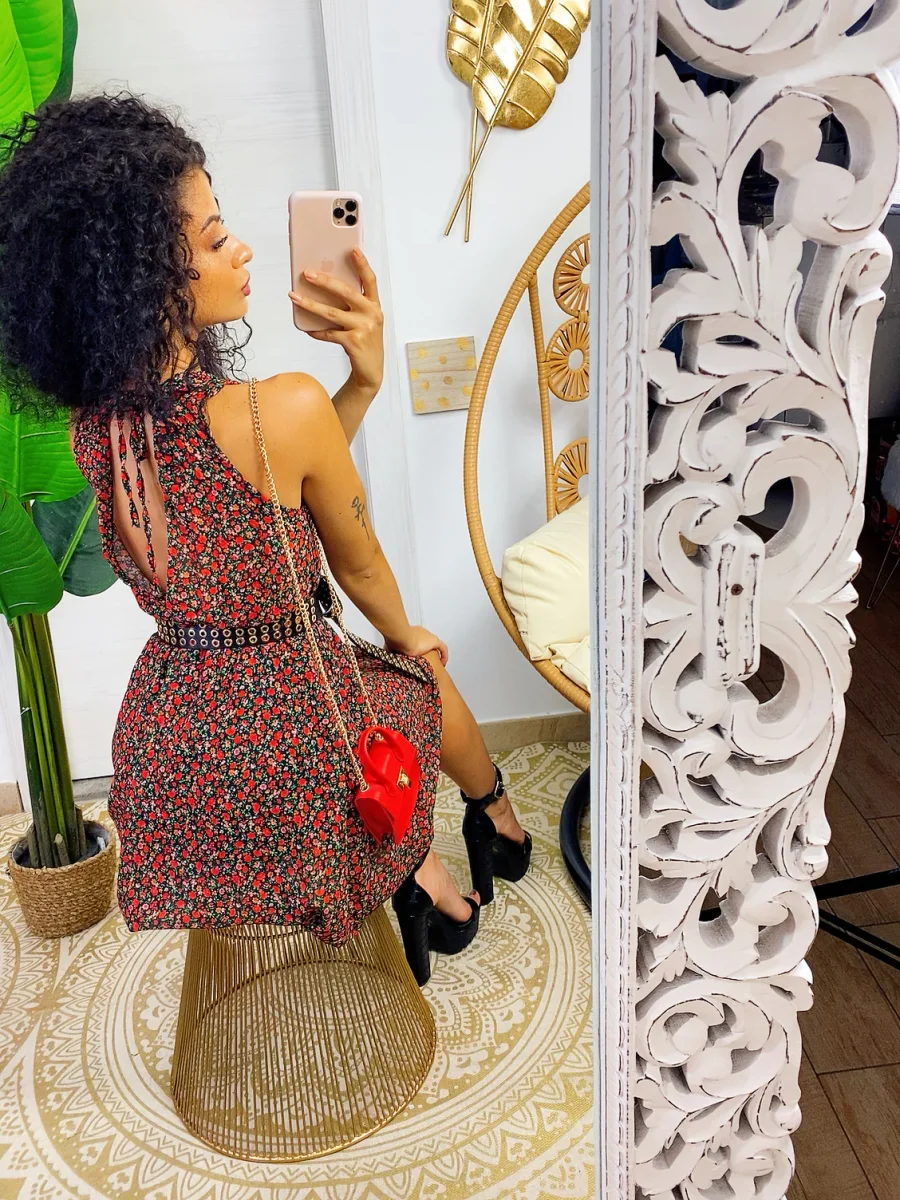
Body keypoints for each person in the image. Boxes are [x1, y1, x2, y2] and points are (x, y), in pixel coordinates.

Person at [0, 94, 531, 985]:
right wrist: (405, 633)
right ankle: (489, 828)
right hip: (293, 718)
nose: (242, 250)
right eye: (214, 240)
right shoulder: (278, 407)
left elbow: (269, 505)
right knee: (422, 677)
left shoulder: (101, 429)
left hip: (177, 734)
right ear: (146, 281)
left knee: (393, 677)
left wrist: (356, 391)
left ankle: (431, 873)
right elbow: (356, 558)